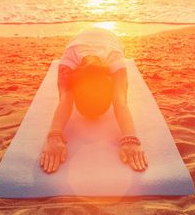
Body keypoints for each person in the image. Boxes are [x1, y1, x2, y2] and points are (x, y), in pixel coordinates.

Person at [38, 26, 148, 174]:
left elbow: (119, 100)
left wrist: (130, 138)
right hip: (82, 38)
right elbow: (66, 98)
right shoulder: (69, 60)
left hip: (111, 39)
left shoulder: (115, 58)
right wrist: (54, 135)